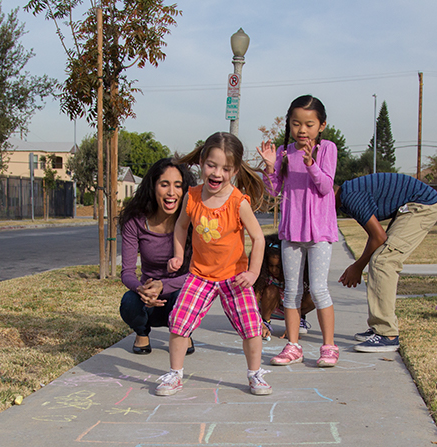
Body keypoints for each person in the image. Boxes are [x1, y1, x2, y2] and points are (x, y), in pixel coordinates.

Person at [155, 132, 271, 397]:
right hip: (200, 275)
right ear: (201, 163)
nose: (217, 173)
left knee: (252, 327)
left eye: (226, 168)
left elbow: (258, 238)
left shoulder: (238, 202)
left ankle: (255, 375)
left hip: (235, 276)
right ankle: (175, 374)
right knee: (179, 322)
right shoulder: (192, 197)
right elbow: (181, 227)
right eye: (212, 165)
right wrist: (178, 255)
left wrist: (253, 273)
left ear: (235, 170)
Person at [257, 95, 339, 367]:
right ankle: (293, 346)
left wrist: (310, 165)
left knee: (317, 289)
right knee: (290, 291)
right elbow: (274, 191)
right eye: (296, 124)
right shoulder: (285, 152)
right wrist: (270, 165)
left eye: (309, 124)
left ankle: (328, 347)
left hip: (319, 233)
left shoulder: (327, 149)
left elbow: (326, 187)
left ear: (322, 125)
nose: (302, 130)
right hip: (291, 231)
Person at [336, 173, 437, 352]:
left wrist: (358, 266)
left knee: (383, 261)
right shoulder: (347, 193)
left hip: (422, 205)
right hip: (412, 203)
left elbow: (379, 236)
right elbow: (376, 236)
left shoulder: (350, 196)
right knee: (380, 257)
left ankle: (387, 335)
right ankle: (379, 328)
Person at [118, 157, 196, 355]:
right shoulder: (135, 221)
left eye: (178, 186)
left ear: (185, 190)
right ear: (152, 187)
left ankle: (183, 332)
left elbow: (200, 273)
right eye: (164, 185)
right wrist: (141, 289)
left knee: (190, 297)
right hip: (148, 300)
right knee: (128, 302)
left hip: (180, 297)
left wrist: (165, 285)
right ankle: (142, 334)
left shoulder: (195, 221)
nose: (171, 193)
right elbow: (127, 272)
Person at [254, 233, 314, 341]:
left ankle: (298, 319)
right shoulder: (264, 275)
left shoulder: (294, 273)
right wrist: (257, 321)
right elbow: (255, 297)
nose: (274, 270)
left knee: (314, 296)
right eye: (271, 266)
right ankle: (265, 322)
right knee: (271, 290)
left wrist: (292, 326)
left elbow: (302, 295)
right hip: (270, 307)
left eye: (278, 267)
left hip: (293, 308)